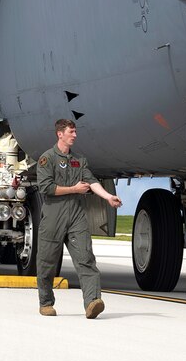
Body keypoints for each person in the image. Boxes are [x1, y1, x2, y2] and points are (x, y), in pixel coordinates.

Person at [34, 118, 122, 318]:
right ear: (60, 134)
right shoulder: (47, 159)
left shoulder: (79, 160)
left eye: (75, 132)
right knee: (46, 262)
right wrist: (74, 189)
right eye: (71, 132)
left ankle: (92, 302)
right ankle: (46, 302)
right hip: (53, 217)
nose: (75, 135)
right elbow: (45, 187)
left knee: (86, 258)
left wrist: (108, 197)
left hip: (76, 217)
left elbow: (91, 181)